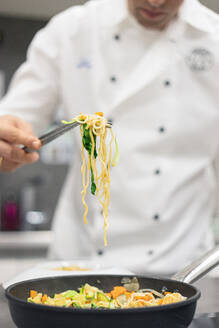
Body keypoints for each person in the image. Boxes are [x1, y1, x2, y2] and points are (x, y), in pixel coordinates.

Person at [0, 0, 218, 275]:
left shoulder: (214, 37)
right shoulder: (74, 30)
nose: (156, 2)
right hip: (83, 264)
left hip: (184, 267)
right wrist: (8, 140)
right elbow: (18, 116)